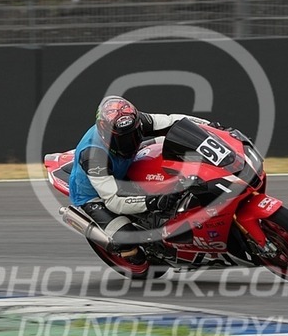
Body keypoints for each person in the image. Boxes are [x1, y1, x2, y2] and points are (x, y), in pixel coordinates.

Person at [68, 95, 211, 265]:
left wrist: (209, 127)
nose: (129, 142)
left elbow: (175, 121)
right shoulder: (93, 155)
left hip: (125, 166)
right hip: (94, 195)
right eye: (122, 139)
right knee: (130, 244)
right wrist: (154, 201)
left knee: (168, 145)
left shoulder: (137, 120)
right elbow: (113, 200)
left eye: (133, 134)